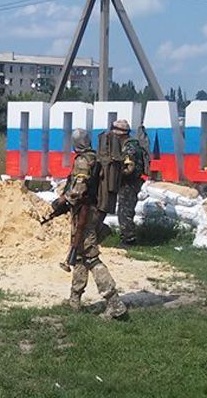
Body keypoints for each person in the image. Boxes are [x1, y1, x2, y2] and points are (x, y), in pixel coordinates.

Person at [62, 128, 127, 319]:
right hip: (92, 212)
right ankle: (75, 299)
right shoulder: (94, 157)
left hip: (85, 214)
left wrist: (64, 200)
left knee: (90, 257)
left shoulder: (83, 161)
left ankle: (114, 303)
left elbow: (79, 189)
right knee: (80, 255)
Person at [115, 121, 149, 247]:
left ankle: (129, 239)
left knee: (125, 211)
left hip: (130, 183)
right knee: (124, 210)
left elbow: (129, 169)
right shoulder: (130, 144)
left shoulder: (129, 147)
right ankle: (127, 237)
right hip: (129, 182)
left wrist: (115, 172)